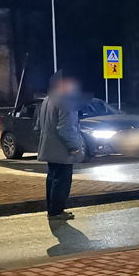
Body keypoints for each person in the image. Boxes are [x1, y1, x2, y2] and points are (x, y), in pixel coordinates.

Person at [36, 71, 84, 221]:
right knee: (62, 181)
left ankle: (52, 209)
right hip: (62, 149)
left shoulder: (47, 100)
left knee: (52, 178)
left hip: (50, 147)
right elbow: (66, 127)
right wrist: (74, 146)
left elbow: (39, 124)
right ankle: (57, 211)